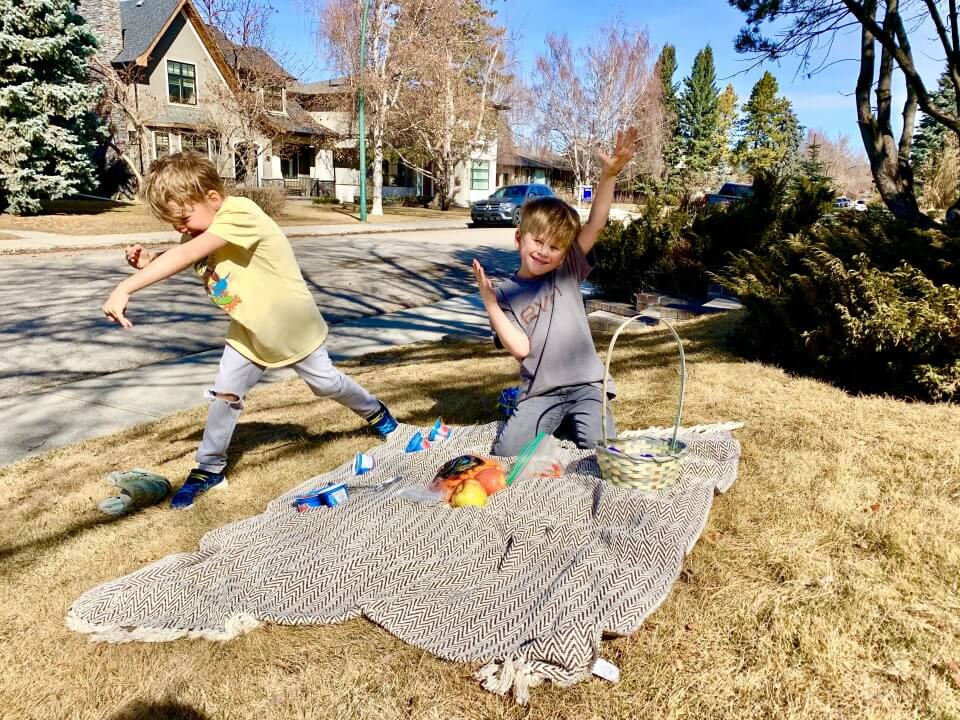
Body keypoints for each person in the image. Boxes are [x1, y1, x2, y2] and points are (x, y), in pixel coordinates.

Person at [102, 151, 398, 509]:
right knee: (225, 395)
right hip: (248, 332)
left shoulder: (239, 213)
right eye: (173, 222)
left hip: (292, 327)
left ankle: (375, 412)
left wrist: (127, 286)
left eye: (183, 217)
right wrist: (151, 260)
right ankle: (209, 468)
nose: (180, 227)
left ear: (212, 197)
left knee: (325, 384)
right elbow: (189, 253)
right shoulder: (200, 228)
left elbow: (188, 252)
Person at [472, 127, 638, 456]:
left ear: (565, 253)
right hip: (541, 391)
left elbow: (596, 223)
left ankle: (578, 418)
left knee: (600, 450)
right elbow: (520, 348)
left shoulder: (567, 270)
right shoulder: (505, 294)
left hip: (587, 386)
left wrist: (609, 175)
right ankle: (554, 421)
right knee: (507, 454)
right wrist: (490, 303)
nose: (545, 252)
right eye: (538, 242)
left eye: (555, 247)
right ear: (520, 239)